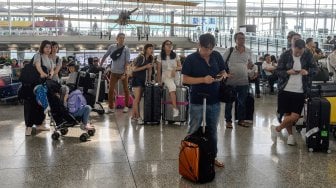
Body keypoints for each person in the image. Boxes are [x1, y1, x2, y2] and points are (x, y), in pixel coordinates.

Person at [182, 33, 228, 168]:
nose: (208, 52)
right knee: (194, 128)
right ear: (199, 45)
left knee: (212, 130)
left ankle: (212, 156)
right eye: (205, 49)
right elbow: (185, 80)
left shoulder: (216, 56)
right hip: (197, 100)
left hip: (214, 99)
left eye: (210, 49)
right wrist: (203, 79)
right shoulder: (191, 59)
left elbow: (222, 70)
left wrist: (222, 75)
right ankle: (190, 156)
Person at [271, 39, 317, 145]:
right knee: (287, 114)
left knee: (295, 116)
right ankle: (290, 136)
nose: (298, 54)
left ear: (304, 49)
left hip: (300, 90)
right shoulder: (285, 55)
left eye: (300, 52)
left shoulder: (308, 55)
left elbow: (315, 69)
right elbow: (277, 71)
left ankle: (276, 129)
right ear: (292, 47)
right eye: (296, 52)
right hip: (285, 89)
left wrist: (307, 72)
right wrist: (288, 72)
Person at [24, 40, 53, 136]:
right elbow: (38, 66)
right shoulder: (38, 55)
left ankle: (39, 124)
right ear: (42, 47)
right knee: (31, 106)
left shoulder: (49, 58)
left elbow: (52, 68)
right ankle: (28, 127)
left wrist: (51, 73)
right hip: (32, 84)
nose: (48, 49)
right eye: (46, 47)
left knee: (39, 105)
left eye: (49, 47)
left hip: (42, 84)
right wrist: (42, 73)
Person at [223, 32, 252, 128]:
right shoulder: (230, 51)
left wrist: (251, 69)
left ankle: (241, 120)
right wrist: (225, 74)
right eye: (239, 38)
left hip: (244, 81)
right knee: (229, 102)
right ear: (235, 40)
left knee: (242, 102)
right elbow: (222, 63)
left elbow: (250, 64)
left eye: (243, 38)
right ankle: (228, 121)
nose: (242, 40)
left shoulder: (248, 51)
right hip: (231, 82)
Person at [100, 33, 130, 113]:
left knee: (126, 90)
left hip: (123, 73)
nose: (122, 39)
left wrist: (124, 73)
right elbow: (105, 55)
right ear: (117, 38)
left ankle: (126, 106)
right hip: (113, 72)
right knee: (110, 90)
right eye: (120, 38)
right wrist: (100, 65)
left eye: (123, 38)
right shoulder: (112, 47)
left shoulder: (126, 49)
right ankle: (111, 107)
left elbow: (127, 62)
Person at [157, 40, 182, 117]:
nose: (169, 45)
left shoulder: (175, 55)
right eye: (167, 44)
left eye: (171, 44)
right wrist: (159, 81)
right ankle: (175, 109)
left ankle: (180, 114)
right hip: (166, 75)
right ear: (164, 46)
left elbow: (180, 67)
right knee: (172, 87)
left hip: (176, 75)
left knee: (178, 91)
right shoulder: (160, 56)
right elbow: (159, 70)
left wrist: (175, 69)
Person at [130, 44, 154, 124]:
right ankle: (139, 117)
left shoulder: (150, 58)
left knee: (138, 100)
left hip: (143, 81)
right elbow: (134, 69)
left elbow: (150, 70)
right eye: (150, 48)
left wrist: (149, 80)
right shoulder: (141, 57)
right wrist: (145, 67)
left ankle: (133, 117)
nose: (151, 50)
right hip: (137, 80)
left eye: (152, 49)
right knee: (137, 100)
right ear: (146, 49)